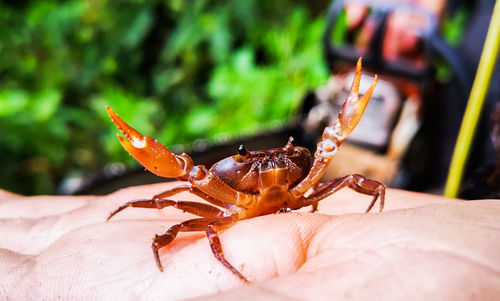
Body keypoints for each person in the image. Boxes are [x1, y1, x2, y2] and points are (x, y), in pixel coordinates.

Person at [1, 182, 499, 300]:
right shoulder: (213, 195)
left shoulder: (304, 179)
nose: (267, 172)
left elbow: (342, 163)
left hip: (296, 201)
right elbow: (177, 190)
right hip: (228, 208)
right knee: (174, 217)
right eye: (252, 165)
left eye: (278, 161)